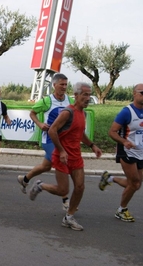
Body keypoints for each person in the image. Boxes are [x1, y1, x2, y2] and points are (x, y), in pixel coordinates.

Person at [28, 82, 102, 231]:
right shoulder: (68, 113)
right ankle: (40, 185)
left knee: (80, 187)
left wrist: (92, 145)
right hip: (61, 156)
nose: (87, 98)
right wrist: (61, 151)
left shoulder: (83, 113)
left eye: (89, 95)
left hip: (75, 156)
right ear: (76, 95)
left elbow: (80, 133)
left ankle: (69, 217)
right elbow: (52, 131)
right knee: (63, 191)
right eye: (84, 95)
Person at [17, 73, 73, 211]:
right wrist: (40, 124)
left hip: (63, 140)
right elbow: (32, 113)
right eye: (61, 84)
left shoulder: (70, 101)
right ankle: (65, 200)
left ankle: (24, 179)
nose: (64, 87)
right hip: (49, 139)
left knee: (46, 166)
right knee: (62, 163)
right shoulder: (47, 101)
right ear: (54, 85)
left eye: (66, 84)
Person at [98, 84, 143, 222]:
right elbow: (112, 132)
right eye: (142, 92)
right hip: (127, 152)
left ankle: (109, 179)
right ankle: (121, 210)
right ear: (134, 94)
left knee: (136, 184)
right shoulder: (127, 112)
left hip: (141, 152)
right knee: (135, 183)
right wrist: (124, 142)